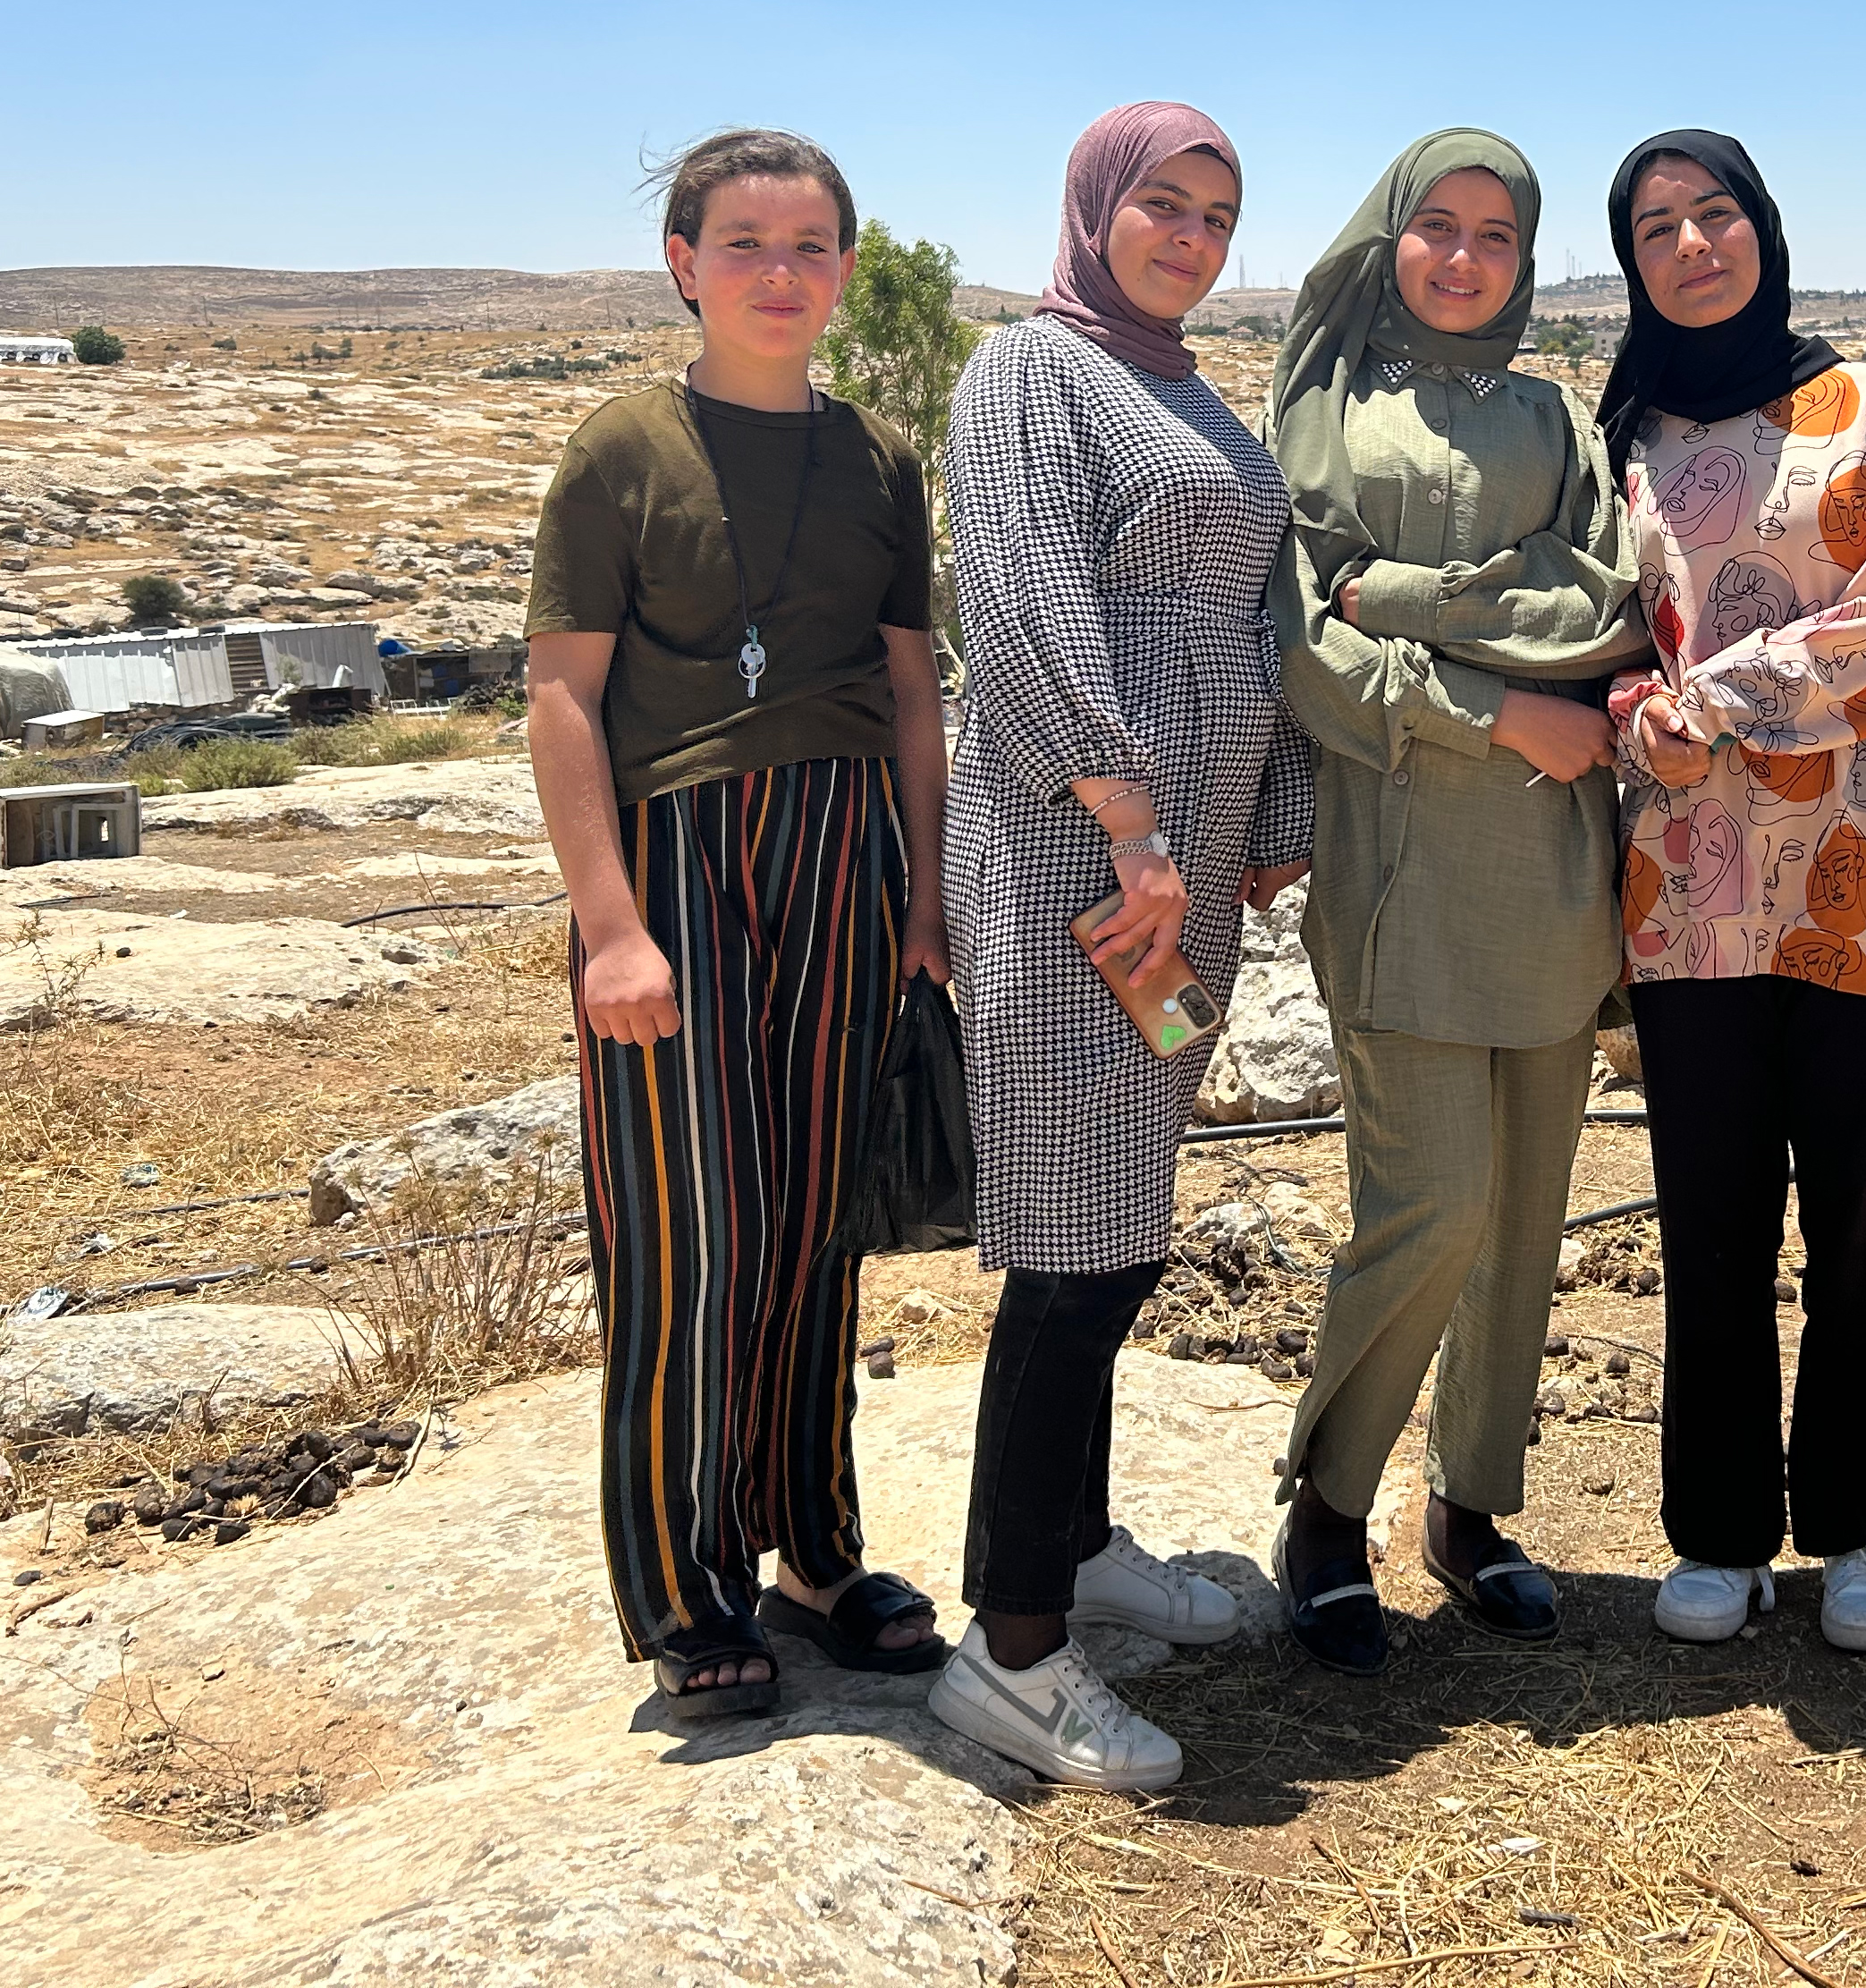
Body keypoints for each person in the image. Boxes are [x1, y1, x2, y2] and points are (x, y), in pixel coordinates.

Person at [524, 127, 951, 1723]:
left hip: (844, 849)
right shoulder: (621, 449)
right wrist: (609, 930)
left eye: (813, 246)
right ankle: (684, 1586)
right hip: (675, 863)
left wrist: (924, 896)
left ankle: (816, 1558)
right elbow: (563, 698)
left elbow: (914, 692)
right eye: (748, 244)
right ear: (683, 265)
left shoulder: (883, 459)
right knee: (690, 1237)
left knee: (813, 1232)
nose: (784, 275)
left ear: (844, 267)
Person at [931, 103, 1314, 1790]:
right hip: (1079, 862)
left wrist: (1267, 820)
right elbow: (1018, 599)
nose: (1193, 236)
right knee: (1071, 1243)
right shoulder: (1032, 372)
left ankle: (1075, 1544)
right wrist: (1135, 821)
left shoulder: (1180, 379)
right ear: (1096, 206)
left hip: (1180, 882)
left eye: (1220, 214)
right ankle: (1010, 1652)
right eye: (1164, 203)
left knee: (1124, 1215)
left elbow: (1261, 609)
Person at [1260, 130, 1647, 1673]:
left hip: (1553, 873)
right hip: (1402, 861)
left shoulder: (1561, 415)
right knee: (1430, 1209)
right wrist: (1490, 712)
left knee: (1531, 1215)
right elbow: (1303, 643)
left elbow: (1603, 608)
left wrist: (1402, 600)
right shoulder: (1324, 415)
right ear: (1391, 237)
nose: (1467, 257)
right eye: (1441, 226)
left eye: (1499, 233)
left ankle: (1473, 1508)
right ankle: (1325, 1507)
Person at [1597, 129, 1866, 1655]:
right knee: (1707, 1214)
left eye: (1716, 216)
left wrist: (1725, 694)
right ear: (1631, 263)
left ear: (1762, 227)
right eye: (1656, 228)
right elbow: (1605, 631)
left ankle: (1854, 1524)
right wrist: (1641, 709)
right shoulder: (1620, 432)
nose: (1692, 246)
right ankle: (1715, 1530)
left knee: (1858, 1210)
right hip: (1689, 881)